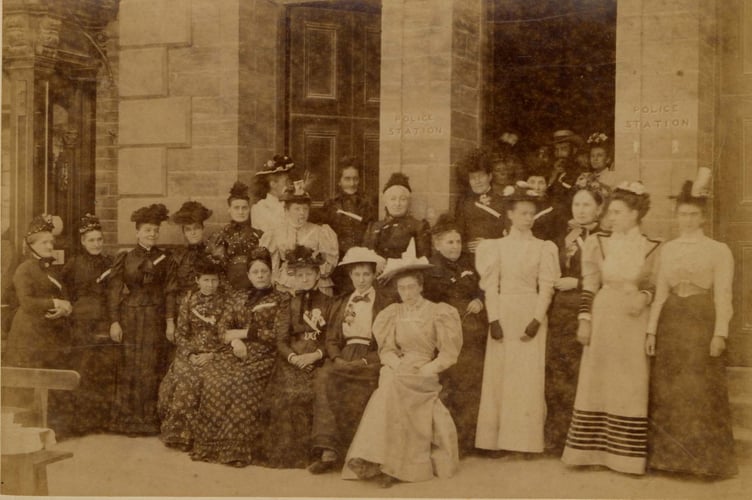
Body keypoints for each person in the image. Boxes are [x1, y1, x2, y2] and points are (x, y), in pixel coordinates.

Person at [343, 240, 462, 488]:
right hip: (398, 367)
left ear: (420, 287)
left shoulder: (438, 312)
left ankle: (395, 466)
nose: (407, 293)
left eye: (411, 288)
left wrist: (429, 368)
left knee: (393, 388)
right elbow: (386, 350)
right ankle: (381, 460)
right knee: (390, 383)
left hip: (423, 370)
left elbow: (448, 354)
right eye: (402, 289)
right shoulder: (393, 313)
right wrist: (394, 363)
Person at [561, 181, 661, 475]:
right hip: (603, 315)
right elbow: (590, 284)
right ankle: (588, 453)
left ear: (634, 214)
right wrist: (584, 320)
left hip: (633, 319)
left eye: (617, 212)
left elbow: (656, 286)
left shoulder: (652, 245)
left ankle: (625, 459)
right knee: (598, 380)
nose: (611, 217)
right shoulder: (598, 243)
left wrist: (644, 298)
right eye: (610, 212)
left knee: (630, 382)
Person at [645, 180, 738, 478]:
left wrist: (720, 333)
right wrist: (651, 331)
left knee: (698, 390)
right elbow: (660, 293)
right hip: (672, 320)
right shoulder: (668, 250)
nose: (687, 220)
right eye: (682, 214)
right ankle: (669, 461)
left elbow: (724, 293)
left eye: (693, 215)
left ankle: (704, 463)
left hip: (700, 319)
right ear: (676, 216)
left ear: (702, 217)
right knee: (670, 390)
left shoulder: (718, 250)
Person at [475, 183, 560, 456]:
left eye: (531, 213)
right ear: (510, 214)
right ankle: (495, 441)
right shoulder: (495, 247)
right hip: (503, 310)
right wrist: (494, 318)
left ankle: (524, 442)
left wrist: (537, 318)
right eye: (523, 213)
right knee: (500, 376)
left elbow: (546, 285)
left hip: (530, 311)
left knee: (526, 377)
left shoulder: (544, 247)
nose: (528, 218)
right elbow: (490, 285)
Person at [191, 248, 291, 467]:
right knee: (215, 380)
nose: (260, 276)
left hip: (265, 354)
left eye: (264, 271)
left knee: (241, 382)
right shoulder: (237, 297)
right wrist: (235, 341)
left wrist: (244, 334)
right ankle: (210, 446)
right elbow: (223, 328)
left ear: (271, 273)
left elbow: (278, 333)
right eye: (255, 272)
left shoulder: (282, 299)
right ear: (248, 275)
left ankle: (236, 451)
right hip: (234, 350)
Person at [308, 247, 390, 474]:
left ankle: (364, 453)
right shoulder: (342, 302)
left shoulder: (384, 302)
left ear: (374, 276)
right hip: (344, 355)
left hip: (372, 355)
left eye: (366, 274)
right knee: (324, 377)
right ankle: (328, 449)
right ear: (350, 276)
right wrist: (336, 358)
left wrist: (366, 360)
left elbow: (389, 341)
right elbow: (332, 338)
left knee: (367, 387)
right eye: (356, 274)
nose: (361, 280)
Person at [544, 177, 609, 454]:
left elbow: (611, 277)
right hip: (560, 310)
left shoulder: (604, 238)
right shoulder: (564, 236)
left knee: (584, 373)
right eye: (577, 204)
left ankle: (585, 440)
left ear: (598, 209)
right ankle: (558, 439)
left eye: (587, 205)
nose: (581, 210)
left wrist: (578, 283)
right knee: (559, 372)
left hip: (589, 306)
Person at [108, 203, 177, 435]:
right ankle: (127, 421)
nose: (152, 234)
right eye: (147, 230)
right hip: (130, 316)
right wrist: (114, 321)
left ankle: (150, 420)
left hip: (155, 316)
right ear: (137, 232)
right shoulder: (125, 258)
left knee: (151, 363)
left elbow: (170, 291)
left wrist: (170, 321)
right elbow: (115, 291)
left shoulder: (165, 259)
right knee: (130, 364)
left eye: (155, 230)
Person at [423, 214, 487, 457]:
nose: (455, 246)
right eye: (449, 242)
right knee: (450, 386)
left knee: (472, 386)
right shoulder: (430, 269)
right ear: (437, 244)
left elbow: (483, 288)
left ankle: (470, 440)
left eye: (458, 241)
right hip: (446, 335)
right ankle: (449, 441)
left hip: (472, 334)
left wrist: (480, 300)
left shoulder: (470, 264)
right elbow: (429, 303)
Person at [264, 245, 332, 468]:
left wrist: (315, 356)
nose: (304, 279)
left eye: (309, 274)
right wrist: (294, 358)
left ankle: (315, 451)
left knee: (314, 390)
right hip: (292, 358)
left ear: (317, 275)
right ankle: (289, 454)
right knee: (286, 392)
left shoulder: (330, 302)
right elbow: (281, 340)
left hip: (319, 357)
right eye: (300, 275)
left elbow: (332, 337)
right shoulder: (289, 303)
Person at [158, 256, 227, 451]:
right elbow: (181, 333)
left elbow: (229, 334)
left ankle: (202, 436)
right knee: (183, 377)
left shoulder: (226, 301)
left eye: (214, 280)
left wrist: (212, 354)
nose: (210, 284)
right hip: (190, 352)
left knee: (207, 380)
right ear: (197, 280)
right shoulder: (189, 299)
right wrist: (189, 354)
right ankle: (178, 435)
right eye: (206, 280)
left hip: (217, 353)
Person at [59, 214, 117, 435]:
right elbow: (63, 289)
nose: (96, 244)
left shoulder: (110, 263)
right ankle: (81, 422)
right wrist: (70, 307)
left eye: (99, 239)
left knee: (102, 369)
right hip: (81, 322)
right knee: (82, 366)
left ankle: (101, 421)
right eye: (91, 240)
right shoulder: (74, 263)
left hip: (103, 321)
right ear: (83, 241)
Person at [5, 214, 72, 368]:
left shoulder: (52, 269)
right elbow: (27, 302)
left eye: (51, 242)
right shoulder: (25, 269)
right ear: (31, 245)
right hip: (29, 335)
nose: (50, 246)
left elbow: (64, 296)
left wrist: (65, 309)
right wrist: (55, 302)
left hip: (50, 333)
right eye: (44, 243)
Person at [260, 181, 339, 295]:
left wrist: (317, 272)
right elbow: (273, 263)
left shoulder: (321, 231)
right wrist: (275, 279)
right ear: (287, 211)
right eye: (297, 209)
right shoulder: (276, 233)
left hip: (315, 282)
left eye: (305, 209)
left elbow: (329, 261)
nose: (302, 213)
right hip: (288, 282)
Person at [315, 157, 376, 293]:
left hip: (361, 264)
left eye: (355, 179)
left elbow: (372, 232)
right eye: (347, 179)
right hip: (339, 266)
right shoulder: (331, 205)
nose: (352, 183)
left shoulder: (367, 204)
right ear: (339, 181)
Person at [207, 182, 263, 291]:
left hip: (254, 286)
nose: (241, 212)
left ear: (249, 209)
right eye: (236, 208)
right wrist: (227, 290)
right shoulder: (220, 236)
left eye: (244, 208)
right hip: (228, 287)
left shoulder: (258, 235)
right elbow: (216, 268)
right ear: (229, 210)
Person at [363, 172, 431, 260]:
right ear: (386, 202)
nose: (397, 204)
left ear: (408, 202)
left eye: (403, 199)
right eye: (393, 199)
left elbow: (423, 260)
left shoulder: (419, 227)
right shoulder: (373, 227)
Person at [454, 149, 509, 253]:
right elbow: (458, 234)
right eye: (473, 178)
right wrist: (466, 247)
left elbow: (510, 237)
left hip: (494, 256)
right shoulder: (463, 202)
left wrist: (488, 245)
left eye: (481, 176)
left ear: (490, 176)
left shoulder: (503, 202)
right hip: (469, 258)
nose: (477, 181)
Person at [169, 200, 213, 305]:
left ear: (203, 229)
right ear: (184, 233)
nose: (193, 233)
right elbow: (170, 290)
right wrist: (170, 319)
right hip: (184, 307)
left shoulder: (212, 252)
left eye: (196, 228)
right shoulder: (177, 256)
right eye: (188, 230)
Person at [251, 154, 294, 234]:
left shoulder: (288, 204)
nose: (289, 186)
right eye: (285, 182)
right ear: (273, 184)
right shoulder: (260, 208)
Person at [547, 129, 586, 207]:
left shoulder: (580, 172)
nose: (559, 154)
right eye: (556, 150)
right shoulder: (553, 171)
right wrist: (554, 175)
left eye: (564, 149)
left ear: (574, 150)